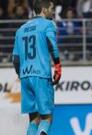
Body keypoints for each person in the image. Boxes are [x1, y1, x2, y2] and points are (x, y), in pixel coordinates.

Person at [12, 0, 62, 135]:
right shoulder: (48, 25)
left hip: (25, 76)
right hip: (41, 75)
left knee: (33, 119)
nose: (53, 11)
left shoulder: (20, 30)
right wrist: (58, 68)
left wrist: (21, 74)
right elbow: (53, 47)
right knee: (47, 117)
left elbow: (15, 59)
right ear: (44, 10)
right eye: (51, 8)